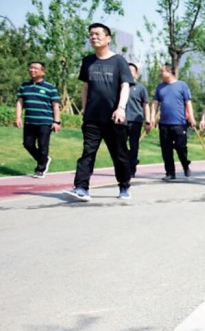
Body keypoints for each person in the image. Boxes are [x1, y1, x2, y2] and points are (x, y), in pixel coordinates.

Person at [63, 23, 134, 201]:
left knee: (119, 155)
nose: (93, 37)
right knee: (88, 152)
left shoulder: (119, 61)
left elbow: (125, 85)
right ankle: (81, 187)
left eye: (97, 34)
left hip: (115, 118)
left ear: (108, 38)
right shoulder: (87, 61)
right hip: (92, 118)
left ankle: (124, 185)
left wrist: (121, 108)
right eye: (91, 35)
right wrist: (85, 108)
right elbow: (85, 87)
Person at [15, 61, 61, 178]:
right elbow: (20, 103)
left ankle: (40, 169)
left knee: (42, 145)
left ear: (43, 72)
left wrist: (57, 122)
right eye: (31, 68)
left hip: (45, 122)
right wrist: (18, 117)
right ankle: (44, 159)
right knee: (27, 144)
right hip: (30, 121)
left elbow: (56, 106)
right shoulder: (24, 86)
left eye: (35, 68)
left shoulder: (50, 88)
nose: (32, 70)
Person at [151, 63, 195, 180]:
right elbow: (155, 103)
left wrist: (191, 117)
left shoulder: (182, 85)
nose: (161, 74)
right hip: (164, 123)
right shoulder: (160, 87)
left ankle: (185, 165)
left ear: (170, 72)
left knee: (181, 147)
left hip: (179, 123)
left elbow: (188, 102)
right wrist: (152, 117)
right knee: (166, 149)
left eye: (163, 71)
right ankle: (170, 173)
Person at [126, 63, 151, 178]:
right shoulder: (120, 86)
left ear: (136, 74)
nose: (130, 72)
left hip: (135, 121)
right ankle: (130, 160)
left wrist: (148, 121)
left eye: (132, 71)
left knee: (134, 145)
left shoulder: (141, 88)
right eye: (128, 70)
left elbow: (146, 105)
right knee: (119, 145)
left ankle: (132, 167)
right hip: (121, 120)